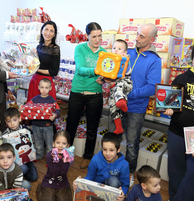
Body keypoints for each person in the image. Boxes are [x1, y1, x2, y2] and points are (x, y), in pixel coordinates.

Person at [108, 23, 161, 187]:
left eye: (142, 36)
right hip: (117, 106)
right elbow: (114, 69)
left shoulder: (154, 60)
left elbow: (152, 87)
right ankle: (109, 170)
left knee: (131, 145)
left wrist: (129, 94)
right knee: (112, 142)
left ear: (152, 40)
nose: (136, 38)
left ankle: (129, 173)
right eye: (137, 34)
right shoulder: (127, 52)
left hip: (136, 109)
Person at [161, 46, 194, 201]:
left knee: (192, 173)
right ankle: (173, 199)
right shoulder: (181, 78)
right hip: (177, 130)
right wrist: (168, 109)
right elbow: (170, 103)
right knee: (175, 168)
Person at [66, 22, 106, 169]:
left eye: (100, 36)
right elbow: (81, 69)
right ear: (87, 35)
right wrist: (96, 71)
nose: (97, 39)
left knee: (92, 128)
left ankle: (87, 156)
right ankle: (66, 155)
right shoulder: (80, 48)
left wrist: (105, 78)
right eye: (94, 36)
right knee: (71, 126)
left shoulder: (104, 52)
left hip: (95, 94)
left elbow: (107, 72)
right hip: (77, 92)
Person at [73, 132, 128, 201]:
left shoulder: (124, 164)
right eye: (104, 149)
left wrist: (123, 194)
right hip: (97, 191)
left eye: (111, 150)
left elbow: (125, 185)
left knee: (113, 181)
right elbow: (89, 177)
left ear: (118, 149)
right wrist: (80, 183)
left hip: (112, 191)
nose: (107, 153)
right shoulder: (95, 159)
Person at [96, 39, 133, 134]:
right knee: (112, 105)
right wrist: (103, 78)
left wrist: (124, 60)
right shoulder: (111, 61)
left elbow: (124, 73)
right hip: (114, 87)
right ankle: (118, 126)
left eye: (119, 49)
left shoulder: (125, 60)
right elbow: (109, 75)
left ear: (124, 52)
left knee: (119, 87)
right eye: (114, 48)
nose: (116, 50)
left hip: (125, 83)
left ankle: (122, 101)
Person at [36, 130, 73, 201]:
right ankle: (40, 187)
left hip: (62, 180)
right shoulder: (49, 155)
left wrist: (65, 162)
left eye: (64, 143)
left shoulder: (68, 156)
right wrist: (56, 161)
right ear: (53, 144)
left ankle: (65, 189)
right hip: (50, 180)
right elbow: (54, 173)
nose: (60, 146)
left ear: (68, 146)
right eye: (58, 143)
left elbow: (63, 173)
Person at [26, 78, 60, 160]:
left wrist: (54, 115)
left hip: (48, 126)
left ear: (50, 88)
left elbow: (58, 110)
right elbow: (27, 107)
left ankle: (50, 158)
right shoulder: (34, 99)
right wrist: (22, 108)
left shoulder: (52, 100)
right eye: (42, 87)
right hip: (36, 126)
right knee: (38, 143)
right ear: (38, 87)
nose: (44, 90)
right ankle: (39, 155)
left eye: (46, 88)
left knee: (49, 144)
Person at [27, 20, 60, 102]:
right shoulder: (38, 47)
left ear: (54, 34)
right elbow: (35, 64)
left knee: (46, 111)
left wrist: (37, 70)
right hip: (35, 81)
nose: (48, 33)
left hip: (46, 84)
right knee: (33, 110)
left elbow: (54, 71)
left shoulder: (55, 49)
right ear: (42, 31)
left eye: (51, 31)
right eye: (46, 29)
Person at [2, 107, 38, 182]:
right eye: (9, 121)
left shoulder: (26, 130)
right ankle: (17, 173)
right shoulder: (5, 134)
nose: (12, 123)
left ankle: (20, 173)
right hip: (14, 161)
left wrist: (33, 150)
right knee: (23, 169)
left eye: (14, 120)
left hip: (27, 158)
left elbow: (31, 142)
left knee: (34, 177)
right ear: (6, 122)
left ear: (20, 119)